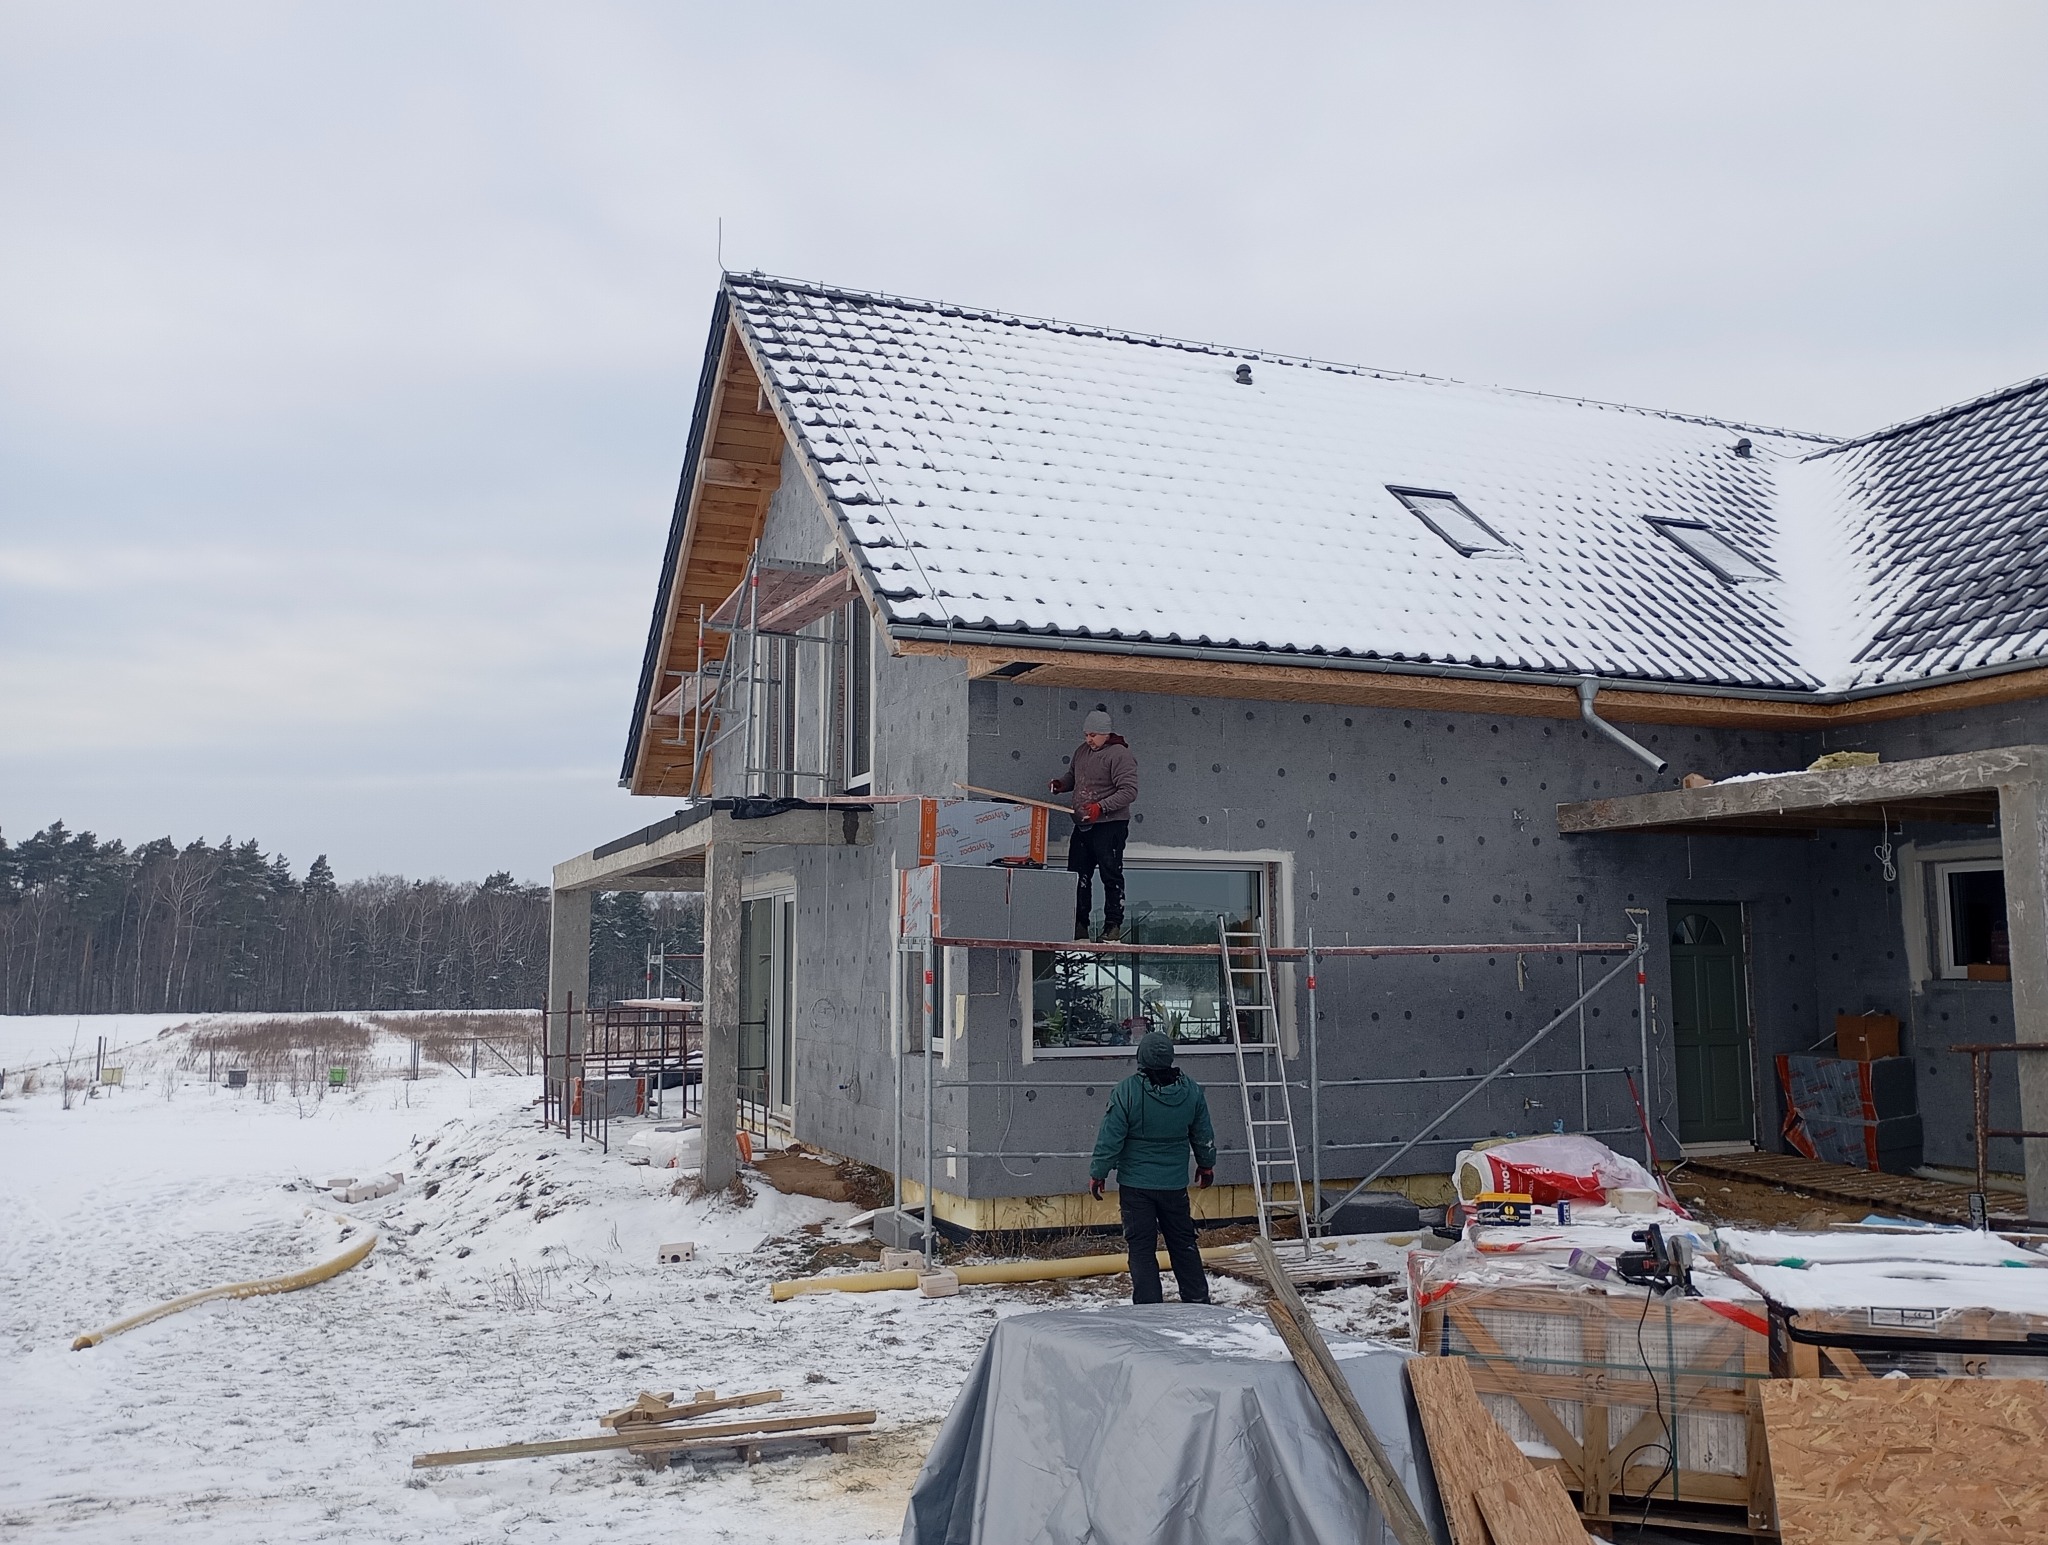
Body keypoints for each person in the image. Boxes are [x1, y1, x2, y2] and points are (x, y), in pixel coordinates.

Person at [1088, 1029, 1216, 1305]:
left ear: (1140, 1057)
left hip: (1136, 1187)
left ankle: (1148, 1307)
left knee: (1142, 1248)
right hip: (1173, 1185)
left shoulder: (1127, 1091)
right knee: (1183, 1243)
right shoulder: (1191, 1090)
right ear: (1170, 1057)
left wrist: (1099, 1172)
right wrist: (1206, 1165)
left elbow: (1111, 1137)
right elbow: (1203, 1133)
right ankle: (1198, 1301)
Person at [1050, 709, 1138, 941]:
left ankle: (1112, 926)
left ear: (1106, 733)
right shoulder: (1082, 752)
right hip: (1083, 824)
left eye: (1093, 735)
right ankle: (1079, 925)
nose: (1088, 739)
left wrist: (1102, 807)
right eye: (1086, 734)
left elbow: (1129, 791)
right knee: (1078, 875)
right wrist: (1061, 784)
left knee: (1111, 873)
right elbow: (1074, 777)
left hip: (1110, 825)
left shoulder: (1119, 755)